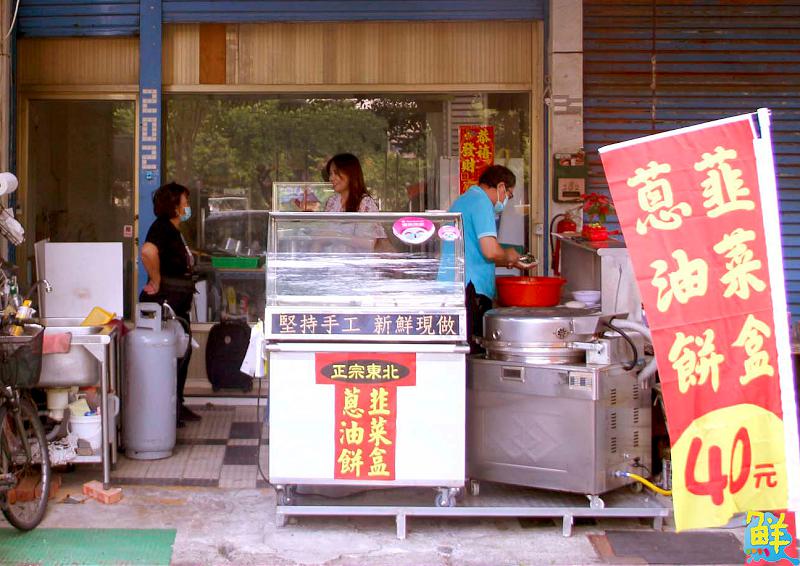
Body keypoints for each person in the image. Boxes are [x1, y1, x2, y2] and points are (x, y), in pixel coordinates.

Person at [449, 165, 533, 352]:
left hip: (454, 286)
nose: (506, 201)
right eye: (509, 195)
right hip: (471, 288)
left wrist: (509, 259)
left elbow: (476, 247)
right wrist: (510, 256)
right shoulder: (482, 203)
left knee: (460, 350)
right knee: (473, 350)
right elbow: (490, 251)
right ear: (501, 187)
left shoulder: (464, 200)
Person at [139, 182, 201, 428]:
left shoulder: (174, 230)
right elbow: (147, 252)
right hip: (166, 304)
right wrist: (155, 280)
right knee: (170, 356)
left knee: (181, 353)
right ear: (174, 206)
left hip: (178, 305)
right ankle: (167, 409)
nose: (188, 207)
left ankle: (176, 405)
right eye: (185, 203)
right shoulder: (162, 228)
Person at [323, 153, 391, 251]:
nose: (331, 178)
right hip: (331, 262)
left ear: (350, 173)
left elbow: (369, 243)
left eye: (336, 173)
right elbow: (322, 236)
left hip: (356, 263)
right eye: (330, 174)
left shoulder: (365, 203)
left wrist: (337, 236)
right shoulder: (331, 202)